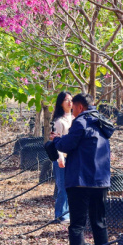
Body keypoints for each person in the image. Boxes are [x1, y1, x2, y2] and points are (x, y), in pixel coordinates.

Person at [50, 93, 112, 245]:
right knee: (99, 221)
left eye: (74, 108)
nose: (74, 112)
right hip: (100, 180)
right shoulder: (102, 122)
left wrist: (57, 140)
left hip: (80, 180)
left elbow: (66, 145)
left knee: (77, 223)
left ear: (81, 107)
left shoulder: (81, 122)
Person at [50, 91, 73, 223]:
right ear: (61, 103)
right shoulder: (59, 122)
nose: (70, 102)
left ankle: (69, 213)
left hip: (72, 158)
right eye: (66, 100)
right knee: (62, 187)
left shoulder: (75, 118)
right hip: (62, 158)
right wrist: (60, 158)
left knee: (71, 187)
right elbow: (56, 141)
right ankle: (61, 215)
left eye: (71, 100)